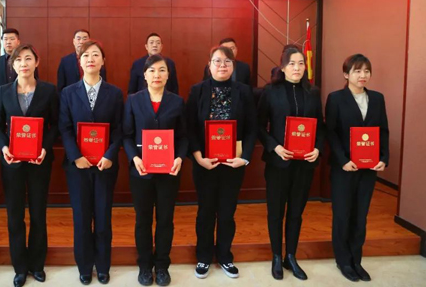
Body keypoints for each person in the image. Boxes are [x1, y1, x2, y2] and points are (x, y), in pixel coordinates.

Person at [187, 45, 257, 280]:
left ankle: (225, 256)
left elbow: (252, 128)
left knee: (227, 213)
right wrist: (198, 156)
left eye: (227, 62)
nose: (222, 66)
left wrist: (245, 157)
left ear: (233, 66)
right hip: (205, 163)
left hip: (233, 164)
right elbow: (189, 127)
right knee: (206, 212)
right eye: (217, 61)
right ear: (209, 65)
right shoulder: (197, 90)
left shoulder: (244, 91)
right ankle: (204, 256)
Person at [257, 46, 324, 281]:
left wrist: (317, 148)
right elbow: (259, 125)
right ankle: (276, 255)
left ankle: (291, 256)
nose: (297, 68)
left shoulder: (313, 92)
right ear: (283, 67)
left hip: (304, 164)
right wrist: (275, 147)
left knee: (296, 212)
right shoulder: (270, 91)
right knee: (276, 212)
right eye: (292, 64)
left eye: (301, 64)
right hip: (279, 162)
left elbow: (320, 126)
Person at [59, 40, 124, 285]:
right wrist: (76, 156)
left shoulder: (115, 93)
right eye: (86, 55)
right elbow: (65, 128)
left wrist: (109, 155)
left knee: (103, 217)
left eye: (96, 55)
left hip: (105, 166)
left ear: (103, 61)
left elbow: (119, 128)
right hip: (78, 167)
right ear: (80, 61)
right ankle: (85, 267)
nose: (91, 59)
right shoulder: (68, 93)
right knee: (82, 218)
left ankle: (103, 266)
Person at [0, 44, 59, 287]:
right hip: (12, 162)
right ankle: (20, 267)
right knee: (15, 216)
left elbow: (55, 124)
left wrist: (45, 148)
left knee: (38, 213)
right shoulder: (3, 91)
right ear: (13, 64)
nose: (23, 63)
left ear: (36, 62)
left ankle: (37, 264)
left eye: (28, 58)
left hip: (38, 162)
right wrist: (4, 147)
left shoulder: (49, 90)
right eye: (18, 59)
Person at [123, 54, 188, 286]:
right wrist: (134, 158)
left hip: (169, 172)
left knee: (165, 220)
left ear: (168, 75)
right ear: (145, 75)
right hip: (141, 172)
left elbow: (183, 137)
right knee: (142, 220)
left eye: (162, 70)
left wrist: (180, 157)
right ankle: (144, 265)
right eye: (152, 70)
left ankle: (161, 266)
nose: (157, 75)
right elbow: (127, 135)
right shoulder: (133, 100)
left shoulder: (177, 102)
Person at [326, 54, 389, 282]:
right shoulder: (336, 98)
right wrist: (342, 159)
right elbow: (330, 132)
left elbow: (383, 131)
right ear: (346, 74)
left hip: (368, 168)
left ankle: (356, 260)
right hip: (344, 168)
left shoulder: (378, 99)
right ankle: (343, 260)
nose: (363, 75)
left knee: (361, 215)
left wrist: (384, 158)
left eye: (366, 71)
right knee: (342, 214)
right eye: (357, 71)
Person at [0, 28, 39, 104]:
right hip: (3, 103)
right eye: (5, 39)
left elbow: (36, 81)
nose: (8, 42)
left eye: (12, 39)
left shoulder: (28, 61)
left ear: (18, 42)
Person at [57, 29, 107, 93]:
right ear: (74, 41)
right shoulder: (65, 61)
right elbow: (61, 86)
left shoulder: (97, 61)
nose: (81, 42)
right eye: (78, 39)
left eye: (84, 39)